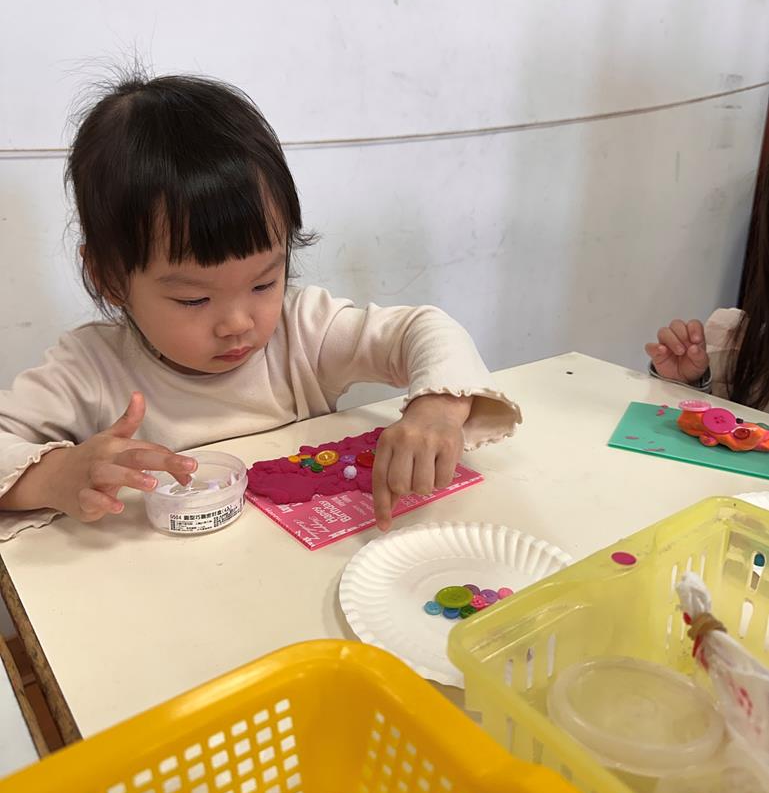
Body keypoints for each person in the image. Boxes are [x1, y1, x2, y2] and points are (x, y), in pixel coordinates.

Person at [0, 74, 520, 540]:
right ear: (110, 278)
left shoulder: (302, 331)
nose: (238, 323)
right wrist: (56, 475)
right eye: (194, 298)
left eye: (264, 282)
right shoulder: (88, 370)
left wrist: (438, 408)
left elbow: (424, 329)